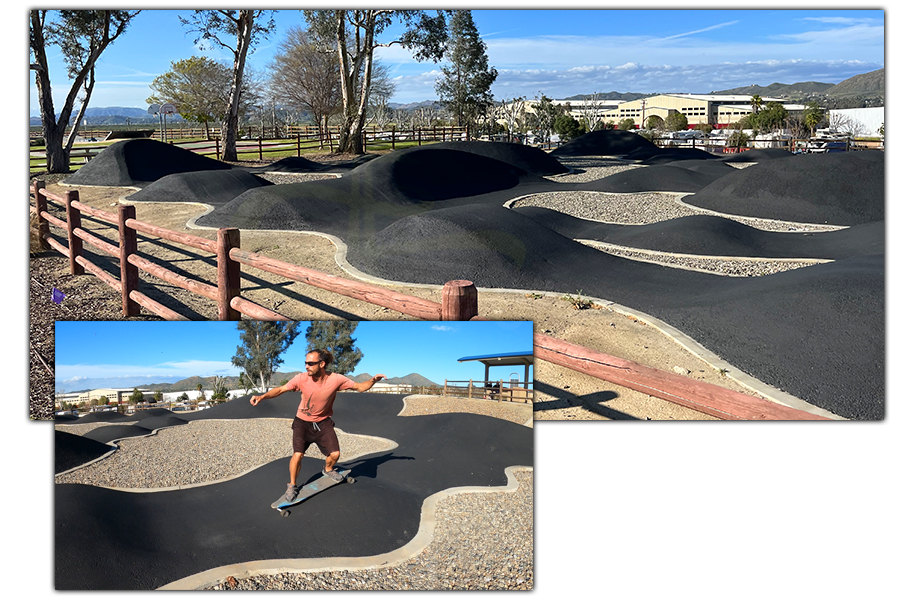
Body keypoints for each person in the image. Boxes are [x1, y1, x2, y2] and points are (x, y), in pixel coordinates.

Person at [250, 348, 385, 503]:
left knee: (335, 454)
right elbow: (280, 389)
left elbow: (360, 387)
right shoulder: (301, 378)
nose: (306, 366)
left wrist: (373, 380)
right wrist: (262, 397)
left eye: (310, 363)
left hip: (323, 422)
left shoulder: (336, 379)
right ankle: (292, 485)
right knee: (298, 455)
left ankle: (327, 469)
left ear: (322, 364)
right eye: (305, 363)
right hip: (302, 423)